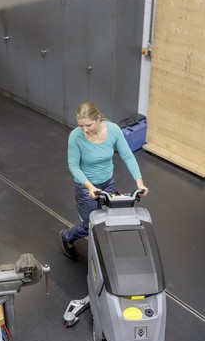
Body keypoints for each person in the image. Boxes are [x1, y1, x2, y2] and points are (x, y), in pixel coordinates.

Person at [60, 101, 149, 258]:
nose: (84, 130)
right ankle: (67, 236)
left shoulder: (113, 130)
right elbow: (74, 166)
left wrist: (140, 184)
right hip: (86, 188)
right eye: (81, 126)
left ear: (98, 119)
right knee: (90, 225)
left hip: (108, 184)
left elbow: (127, 156)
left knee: (109, 218)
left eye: (88, 125)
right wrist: (90, 187)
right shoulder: (75, 136)